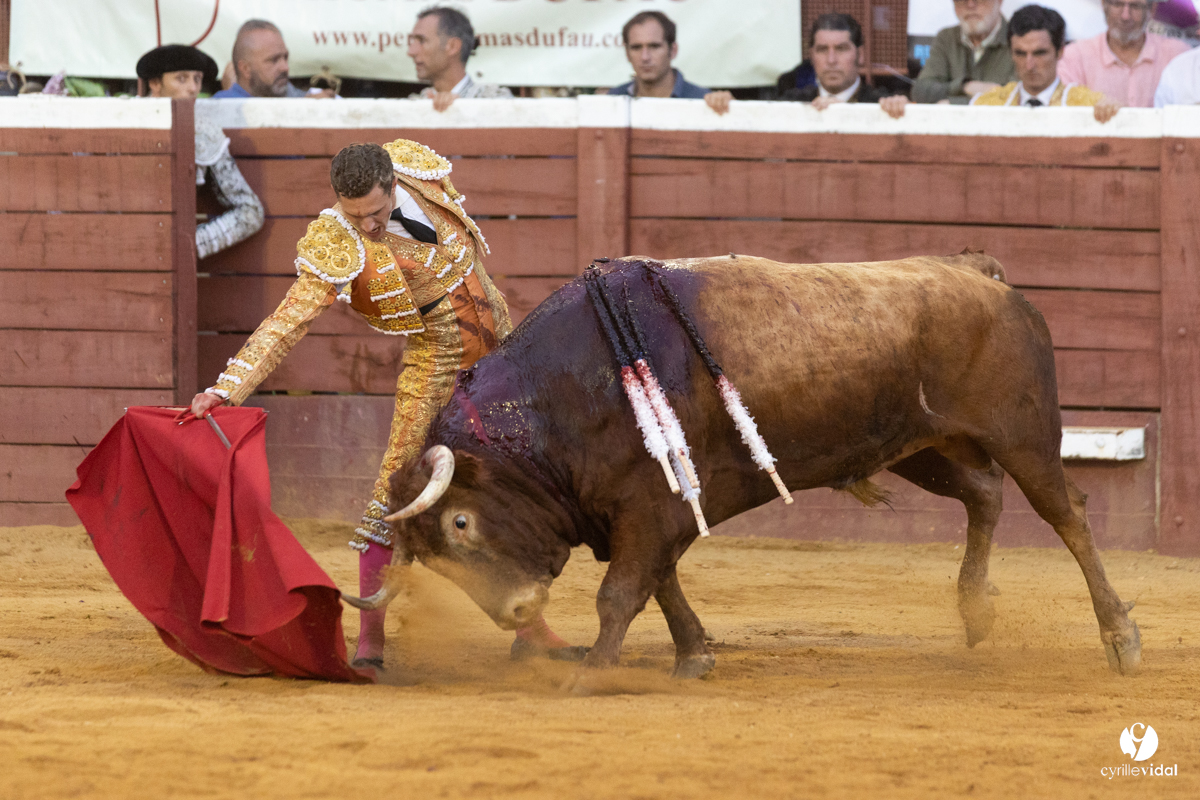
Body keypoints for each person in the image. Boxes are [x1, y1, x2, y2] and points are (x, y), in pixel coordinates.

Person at [189, 141, 581, 669]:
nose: (367, 226)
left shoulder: (421, 173)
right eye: (355, 216)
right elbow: (287, 322)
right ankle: (370, 642)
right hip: (436, 367)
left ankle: (531, 630)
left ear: (394, 184)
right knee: (392, 494)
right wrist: (227, 388)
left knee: (512, 488)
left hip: (503, 359)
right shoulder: (339, 238)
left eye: (375, 213)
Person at [136, 45, 264, 260]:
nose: (193, 88)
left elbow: (251, 213)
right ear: (155, 83)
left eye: (197, 79)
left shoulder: (203, 131)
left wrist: (192, 244)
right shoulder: (126, 119)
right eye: (182, 79)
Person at [972, 4, 1121, 123]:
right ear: (1010, 53)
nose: (1029, 65)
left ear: (1060, 51)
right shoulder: (987, 105)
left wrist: (1113, 111)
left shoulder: (1090, 105)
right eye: (1020, 53)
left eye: (1040, 53)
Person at [1058, 0, 1190, 107]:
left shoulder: (1178, 54)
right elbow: (1062, 106)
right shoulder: (1075, 56)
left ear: (1152, 9)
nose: (1125, 16)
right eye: (1117, 4)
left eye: (1135, 6)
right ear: (1104, 5)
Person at [779, 14, 910, 119]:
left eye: (841, 49)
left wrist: (904, 110)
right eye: (822, 49)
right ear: (812, 56)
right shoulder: (791, 104)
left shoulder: (881, 104)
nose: (831, 60)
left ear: (861, 54)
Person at [606, 11, 733, 115]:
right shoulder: (612, 100)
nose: (645, 57)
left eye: (654, 46)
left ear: (673, 50)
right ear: (627, 53)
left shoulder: (703, 100)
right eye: (636, 47)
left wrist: (732, 108)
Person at [407, 6, 511, 112]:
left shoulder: (495, 100)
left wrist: (463, 108)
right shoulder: (416, 104)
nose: (411, 52)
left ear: (453, 46)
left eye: (422, 41)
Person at [913, 0, 1017, 104]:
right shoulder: (946, 38)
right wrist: (964, 86)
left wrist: (953, 103)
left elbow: (1017, 98)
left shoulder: (1018, 41)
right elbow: (921, 90)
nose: (970, 5)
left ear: (999, 2)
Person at [213, 20, 332, 99]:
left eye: (285, 57)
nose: (285, 67)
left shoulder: (299, 100)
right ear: (245, 69)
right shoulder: (214, 110)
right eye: (273, 60)